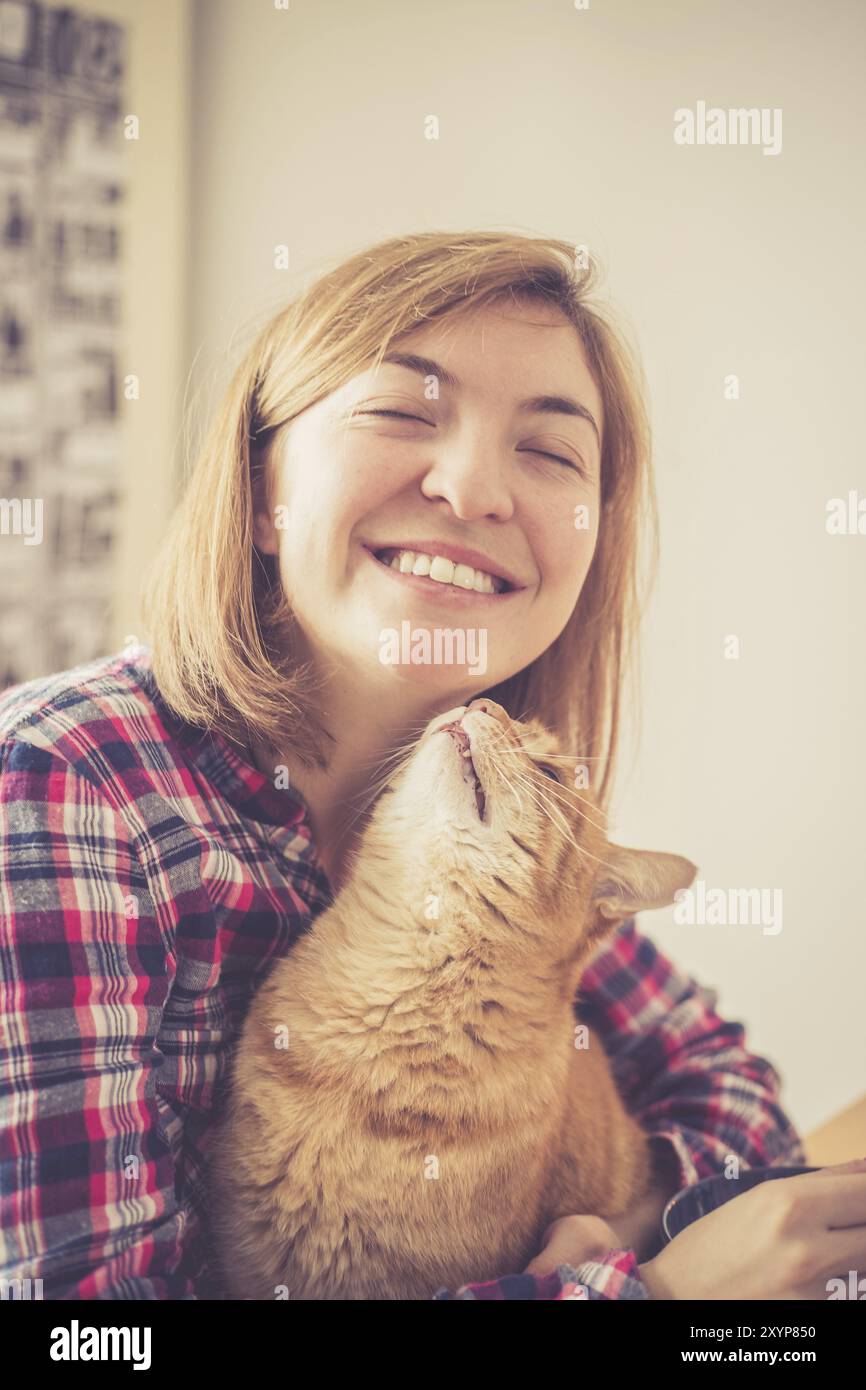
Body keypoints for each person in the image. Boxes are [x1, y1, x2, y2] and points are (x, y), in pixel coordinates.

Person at [0, 231, 858, 1300]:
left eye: (549, 452)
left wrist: (632, 1215)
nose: (473, 489)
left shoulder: (482, 813)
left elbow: (731, 1091)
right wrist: (652, 1296)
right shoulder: (66, 785)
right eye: (404, 411)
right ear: (262, 488)